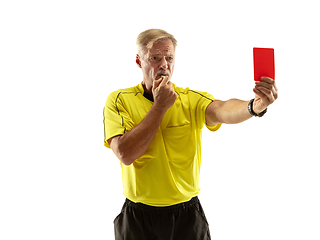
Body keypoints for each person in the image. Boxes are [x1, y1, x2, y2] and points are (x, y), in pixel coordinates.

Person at [103, 29, 278, 240]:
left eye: (169, 58)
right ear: (139, 61)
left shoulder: (189, 99)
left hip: (186, 217)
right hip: (138, 218)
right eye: (155, 58)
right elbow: (125, 153)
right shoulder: (119, 100)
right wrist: (160, 106)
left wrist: (254, 106)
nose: (164, 65)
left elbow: (222, 109)